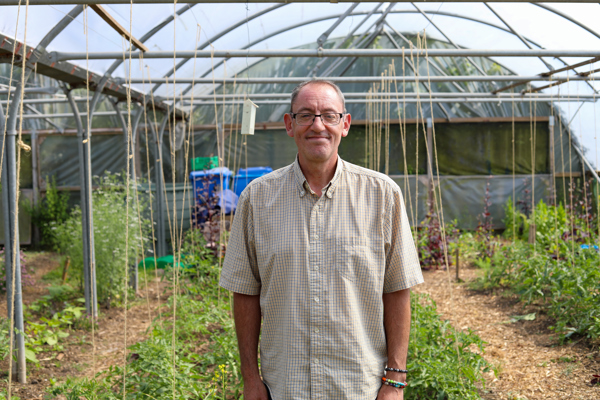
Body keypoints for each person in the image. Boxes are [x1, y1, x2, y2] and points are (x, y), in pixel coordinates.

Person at [220, 80, 423, 400]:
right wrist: (250, 378)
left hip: (359, 387)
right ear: (290, 125)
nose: (318, 125)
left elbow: (397, 289)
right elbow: (245, 292)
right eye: (306, 115)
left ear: (345, 124)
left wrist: (395, 381)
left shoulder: (382, 195)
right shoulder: (257, 199)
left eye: (329, 115)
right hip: (284, 387)